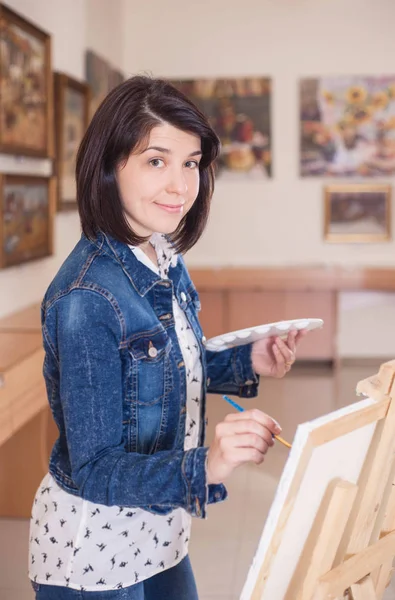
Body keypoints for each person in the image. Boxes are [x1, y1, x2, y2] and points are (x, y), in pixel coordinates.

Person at [28, 76, 305, 599]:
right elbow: (94, 468)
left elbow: (169, 365)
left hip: (162, 535)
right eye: (156, 161)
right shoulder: (87, 297)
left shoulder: (160, 254)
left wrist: (250, 360)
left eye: (191, 163)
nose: (180, 185)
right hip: (95, 560)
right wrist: (210, 465)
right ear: (111, 165)